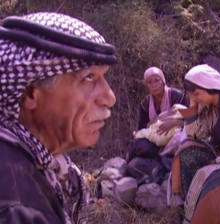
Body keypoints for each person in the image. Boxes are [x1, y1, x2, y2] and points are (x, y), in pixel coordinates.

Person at [0, 12, 116, 224]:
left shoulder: (27, 163)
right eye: (88, 77)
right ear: (29, 95)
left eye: (103, 77)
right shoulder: (19, 209)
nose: (109, 98)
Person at [170, 64, 220, 224]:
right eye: (191, 95)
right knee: (186, 152)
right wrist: (192, 104)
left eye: (197, 94)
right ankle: (189, 208)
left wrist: (219, 161)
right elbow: (195, 133)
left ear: (209, 86)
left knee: (206, 176)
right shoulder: (208, 109)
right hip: (218, 156)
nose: (195, 98)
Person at [126, 66, 188, 182]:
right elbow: (143, 127)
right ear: (146, 85)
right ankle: (158, 161)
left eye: (156, 80)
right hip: (156, 141)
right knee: (141, 145)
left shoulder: (177, 96)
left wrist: (174, 122)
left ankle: (162, 164)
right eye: (149, 82)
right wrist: (156, 121)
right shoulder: (145, 104)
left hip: (175, 137)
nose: (154, 85)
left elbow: (192, 119)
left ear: (163, 81)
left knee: (180, 140)